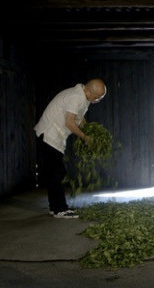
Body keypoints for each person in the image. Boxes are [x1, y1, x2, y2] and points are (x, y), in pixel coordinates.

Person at [34, 78, 107, 219]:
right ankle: (59, 210)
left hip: (55, 136)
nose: (97, 100)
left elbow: (79, 119)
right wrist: (85, 138)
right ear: (89, 90)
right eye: (97, 97)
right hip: (49, 134)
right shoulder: (75, 97)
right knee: (57, 173)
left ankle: (55, 207)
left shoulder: (84, 97)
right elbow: (69, 122)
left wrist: (90, 131)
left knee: (55, 172)